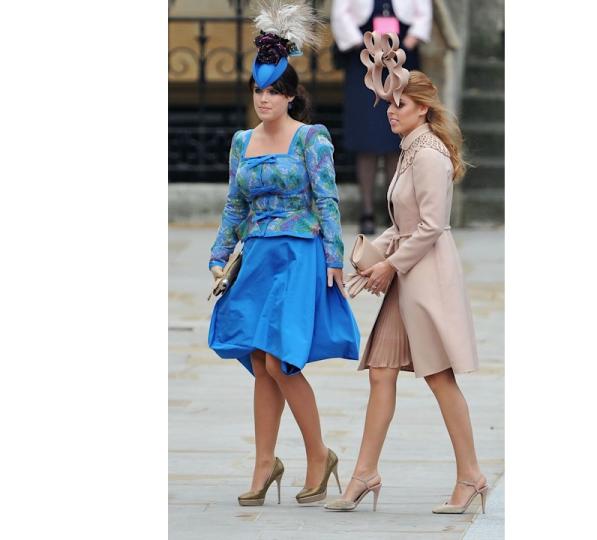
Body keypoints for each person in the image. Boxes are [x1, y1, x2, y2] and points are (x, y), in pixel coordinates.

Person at [324, 33, 488, 514]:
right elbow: (406, 223)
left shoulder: (429, 153)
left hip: (426, 281)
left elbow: (434, 226)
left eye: (400, 103)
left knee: (439, 378)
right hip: (405, 278)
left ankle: (472, 476)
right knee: (380, 373)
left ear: (422, 108)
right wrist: (379, 258)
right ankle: (364, 474)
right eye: (389, 102)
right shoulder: (409, 150)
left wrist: (389, 265)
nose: (390, 110)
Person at [208, 1, 360, 507]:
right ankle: (264, 462)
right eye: (258, 89)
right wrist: (219, 255)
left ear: (291, 96)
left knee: (280, 360)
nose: (265, 98)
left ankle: (319, 455)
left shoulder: (311, 139)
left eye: (274, 90)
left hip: (300, 255)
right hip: (258, 258)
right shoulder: (241, 143)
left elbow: (328, 201)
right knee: (257, 355)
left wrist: (334, 260)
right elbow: (235, 205)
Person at [331, 0, 432, 234]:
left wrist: (408, 43)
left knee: (397, 138)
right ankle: (366, 210)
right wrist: (361, 45)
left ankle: (395, 210)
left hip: (403, 58)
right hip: (364, 60)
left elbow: (423, 13)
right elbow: (341, 13)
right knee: (366, 135)